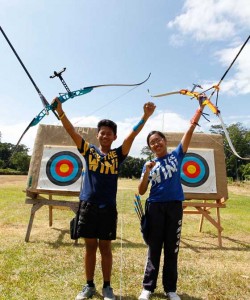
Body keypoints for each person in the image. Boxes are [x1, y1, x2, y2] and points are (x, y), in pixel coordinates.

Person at [52, 97, 156, 300]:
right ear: (97, 135)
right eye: (102, 132)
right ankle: (89, 285)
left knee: (106, 248)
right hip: (88, 205)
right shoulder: (88, 151)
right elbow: (72, 131)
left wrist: (145, 116)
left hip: (107, 206)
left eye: (109, 133)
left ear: (114, 137)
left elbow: (132, 136)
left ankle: (107, 287)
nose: (105, 135)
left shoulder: (118, 154)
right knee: (90, 247)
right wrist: (60, 112)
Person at [138, 98, 205, 300]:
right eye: (152, 143)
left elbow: (189, 131)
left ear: (165, 141)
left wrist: (200, 108)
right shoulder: (149, 165)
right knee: (154, 248)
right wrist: (146, 173)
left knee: (171, 248)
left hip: (174, 206)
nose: (156, 143)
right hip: (155, 208)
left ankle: (170, 289)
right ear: (150, 148)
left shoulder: (177, 155)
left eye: (159, 140)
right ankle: (148, 287)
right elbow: (141, 191)